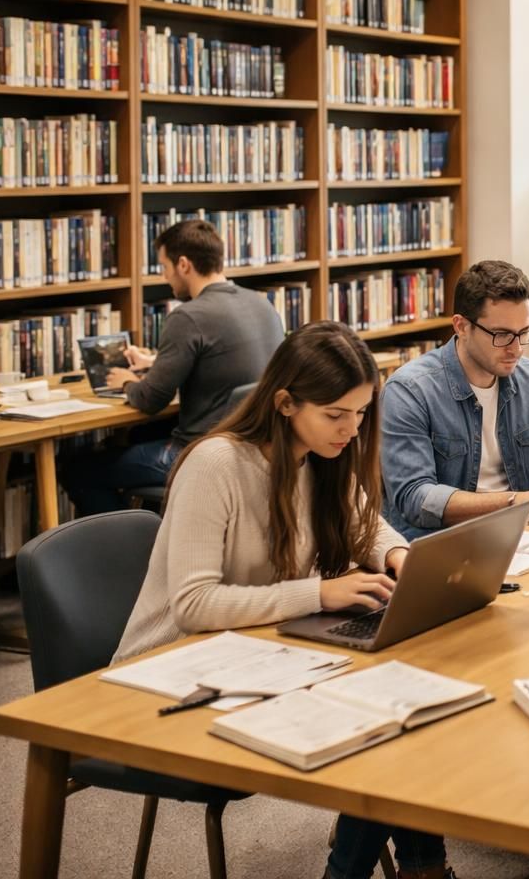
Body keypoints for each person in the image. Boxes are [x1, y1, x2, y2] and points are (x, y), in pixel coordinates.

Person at [110, 322, 453, 879]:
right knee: (376, 721)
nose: (351, 428)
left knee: (405, 703)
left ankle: (421, 865)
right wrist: (318, 592)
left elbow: (367, 524)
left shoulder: (321, 454)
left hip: (257, 651)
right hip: (171, 674)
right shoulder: (216, 464)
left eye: (362, 413)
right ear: (286, 403)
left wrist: (399, 557)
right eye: (336, 415)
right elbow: (193, 606)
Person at [379, 260, 529, 539]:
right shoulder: (409, 391)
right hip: (442, 543)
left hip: (523, 536)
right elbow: (416, 498)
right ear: (461, 327)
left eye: (523, 333)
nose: (516, 349)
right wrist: (520, 501)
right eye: (502, 335)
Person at [60, 219, 285, 515]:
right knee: (139, 437)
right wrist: (155, 362)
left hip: (199, 452)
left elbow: (151, 400)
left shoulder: (188, 316)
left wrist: (128, 381)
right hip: (256, 445)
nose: (165, 277)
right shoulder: (260, 303)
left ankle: (130, 549)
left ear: (183, 265)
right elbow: (221, 358)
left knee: (76, 469)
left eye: (164, 266)